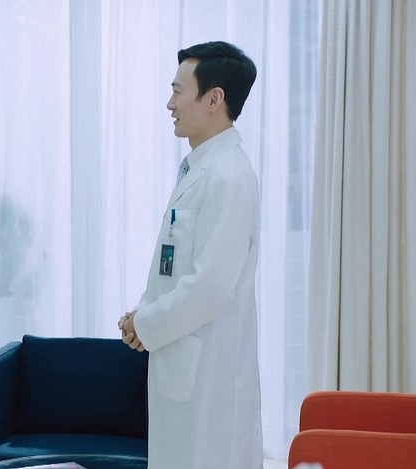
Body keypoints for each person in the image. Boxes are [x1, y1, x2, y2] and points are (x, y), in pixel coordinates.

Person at [118, 41, 263, 468]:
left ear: (214, 99)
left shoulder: (228, 176)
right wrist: (143, 313)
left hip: (209, 378)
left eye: (178, 91)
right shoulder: (201, 168)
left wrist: (145, 323)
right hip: (183, 367)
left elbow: (210, 287)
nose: (170, 104)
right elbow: (173, 267)